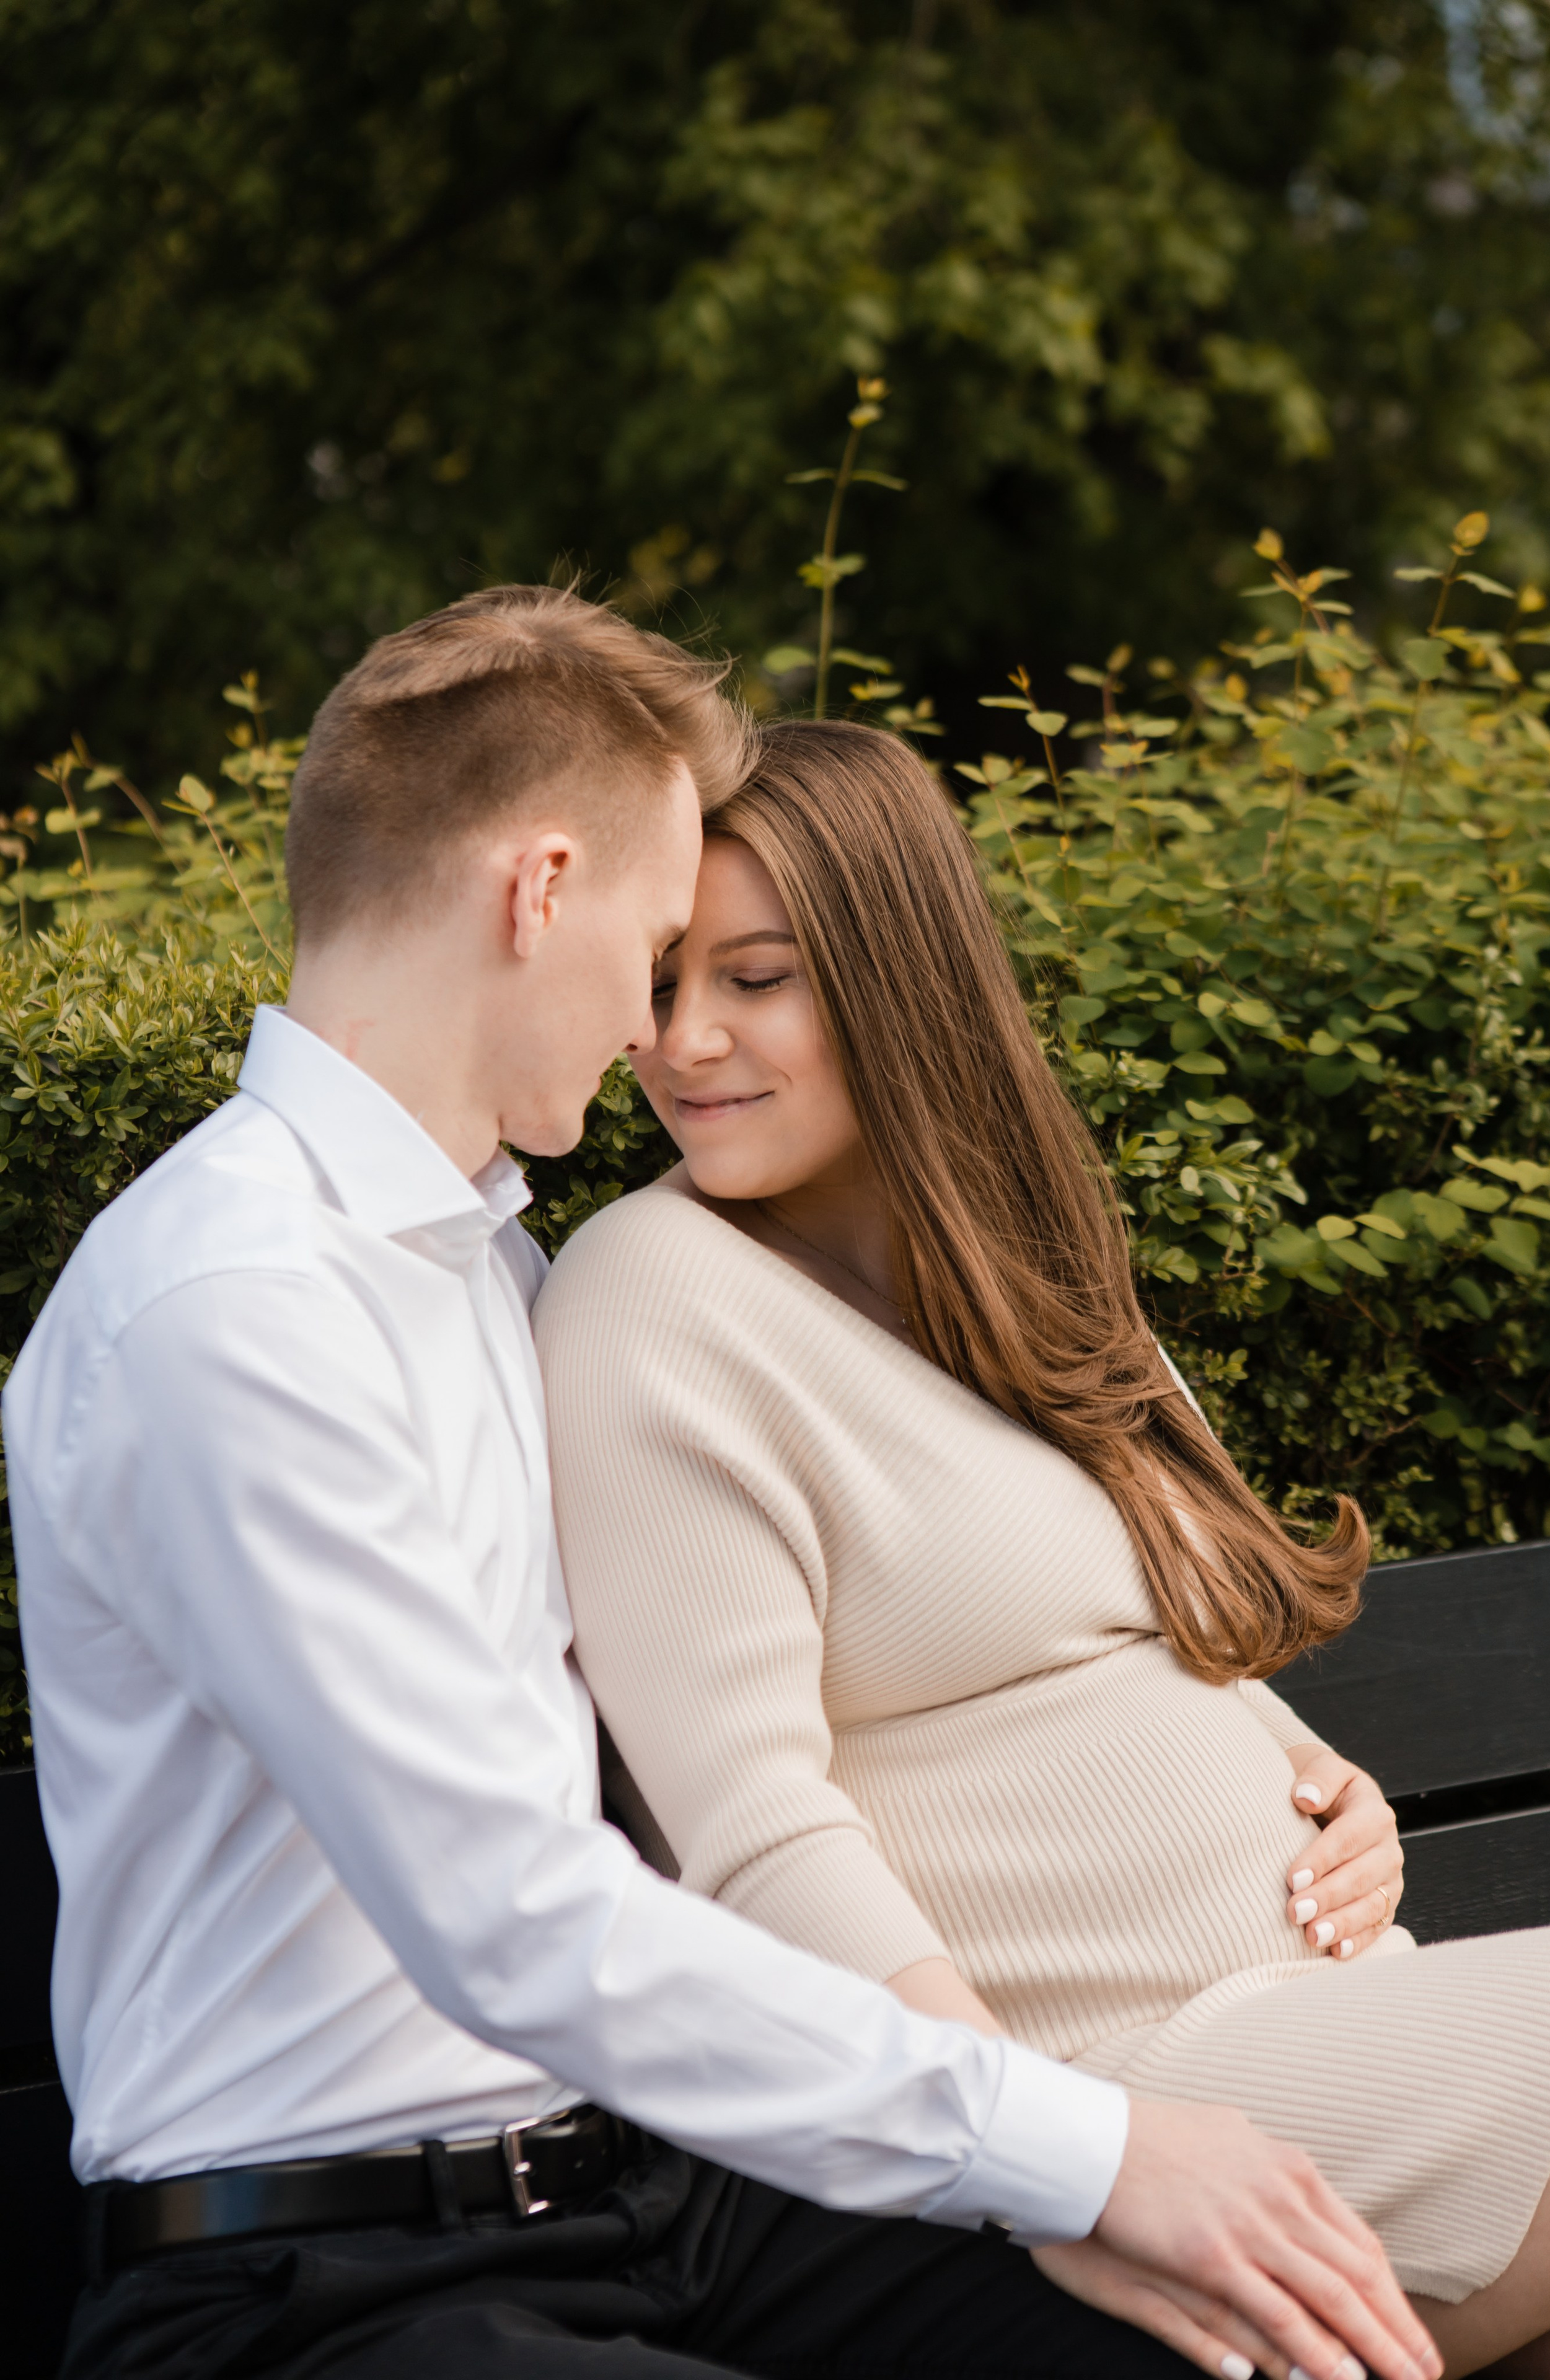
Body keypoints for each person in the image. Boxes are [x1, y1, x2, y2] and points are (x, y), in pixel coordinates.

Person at [4, 593, 1438, 2380]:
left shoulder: (485, 1276)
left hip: (674, 2202)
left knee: (1268, 2348)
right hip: (325, 2276)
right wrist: (1087, 2153)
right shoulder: (230, 1314)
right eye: (659, 940)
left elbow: (838, 1693)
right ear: (540, 892)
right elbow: (512, 1917)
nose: (657, 1030)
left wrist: (1281, 1786)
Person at [535, 715, 1550, 2380]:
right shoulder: (649, 1300)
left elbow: (1166, 1625)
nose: (684, 1042)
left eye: (758, 978)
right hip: (1111, 2094)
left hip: (1329, 2014)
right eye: (667, 982)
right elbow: (747, 1828)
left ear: (901, 977)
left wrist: (1324, 1779)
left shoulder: (1032, 1272)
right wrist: (1047, 2154)